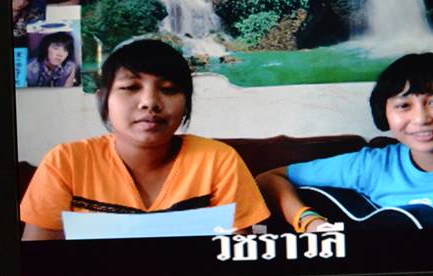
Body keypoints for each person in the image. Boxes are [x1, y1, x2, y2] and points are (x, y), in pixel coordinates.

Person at [256, 52, 433, 232]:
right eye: (403, 106)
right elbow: (270, 178)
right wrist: (308, 220)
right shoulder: (370, 165)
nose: (421, 119)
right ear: (384, 113)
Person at [21, 39, 270, 240]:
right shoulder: (65, 162)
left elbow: (235, 257)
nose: (150, 102)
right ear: (103, 100)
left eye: (169, 89)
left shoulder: (218, 160)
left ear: (186, 103)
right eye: (130, 87)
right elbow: (38, 264)